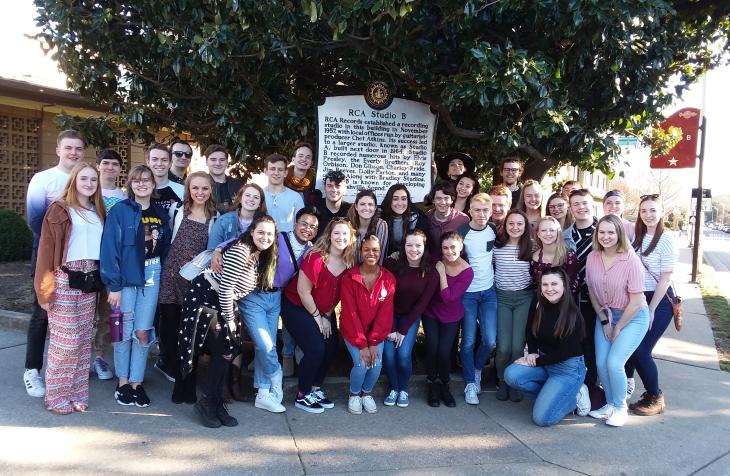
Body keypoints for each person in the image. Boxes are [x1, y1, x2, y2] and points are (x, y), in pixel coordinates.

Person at [178, 215, 278, 427]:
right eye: (261, 232)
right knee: (223, 348)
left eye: (270, 234)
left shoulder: (257, 253)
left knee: (228, 350)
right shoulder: (242, 250)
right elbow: (225, 288)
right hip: (207, 299)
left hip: (220, 300)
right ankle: (207, 402)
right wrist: (231, 321)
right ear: (251, 232)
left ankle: (215, 401)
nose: (265, 237)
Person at [34, 163, 106, 414]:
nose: (88, 183)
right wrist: (44, 291)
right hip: (64, 278)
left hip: (89, 280)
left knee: (84, 339)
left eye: (93, 180)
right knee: (66, 341)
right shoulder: (59, 209)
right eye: (84, 178)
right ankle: (55, 396)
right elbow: (45, 251)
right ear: (74, 180)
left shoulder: (98, 210)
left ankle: (77, 393)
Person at [101, 165, 171, 408]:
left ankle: (136, 383)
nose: (142, 184)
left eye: (147, 180)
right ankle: (122, 382)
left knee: (142, 332)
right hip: (126, 277)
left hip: (152, 272)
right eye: (137, 180)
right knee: (123, 331)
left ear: (153, 184)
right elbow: (110, 249)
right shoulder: (120, 211)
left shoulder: (161, 214)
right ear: (130, 184)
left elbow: (165, 247)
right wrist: (115, 285)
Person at [24, 129, 86, 398]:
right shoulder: (44, 179)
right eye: (68, 148)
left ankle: (66, 371)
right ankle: (32, 370)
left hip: (79, 261)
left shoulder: (85, 179)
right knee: (43, 311)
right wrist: (55, 249)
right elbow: (36, 220)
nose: (73, 153)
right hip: (48, 255)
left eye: (78, 149)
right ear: (58, 150)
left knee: (75, 319)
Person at [281, 218, 356, 413]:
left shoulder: (348, 262)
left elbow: (337, 294)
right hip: (297, 306)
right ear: (329, 235)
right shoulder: (316, 256)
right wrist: (318, 318)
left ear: (351, 238)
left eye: (345, 234)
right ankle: (302, 394)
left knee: (330, 346)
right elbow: (303, 291)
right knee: (315, 348)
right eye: (337, 233)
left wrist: (328, 315)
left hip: (324, 311)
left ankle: (315, 388)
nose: (340, 237)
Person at [504, 268, 591, 426]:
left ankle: (573, 398)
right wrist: (531, 353)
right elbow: (530, 330)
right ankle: (551, 396)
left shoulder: (573, 314)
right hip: (544, 363)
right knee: (511, 374)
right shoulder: (538, 302)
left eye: (554, 284)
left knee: (542, 419)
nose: (549, 289)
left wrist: (536, 362)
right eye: (545, 284)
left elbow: (564, 353)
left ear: (564, 285)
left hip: (567, 369)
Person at [158, 172, 219, 398]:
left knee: (191, 330)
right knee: (170, 326)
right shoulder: (177, 211)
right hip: (171, 275)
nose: (200, 192)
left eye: (204, 188)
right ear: (188, 189)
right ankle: (172, 368)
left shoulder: (215, 217)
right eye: (195, 188)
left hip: (195, 279)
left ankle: (188, 375)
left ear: (211, 190)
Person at [585, 215, 649, 427]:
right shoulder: (593, 257)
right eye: (601, 232)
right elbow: (593, 291)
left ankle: (621, 408)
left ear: (619, 234)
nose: (606, 236)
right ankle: (611, 404)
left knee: (614, 362)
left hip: (632, 316)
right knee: (602, 363)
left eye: (611, 232)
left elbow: (637, 300)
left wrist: (618, 326)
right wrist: (605, 321)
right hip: (606, 314)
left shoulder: (631, 260)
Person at [625, 194, 678, 415]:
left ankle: (655, 395)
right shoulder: (636, 236)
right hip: (637, 298)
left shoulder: (666, 239)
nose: (648, 215)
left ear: (661, 213)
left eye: (653, 210)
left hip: (659, 300)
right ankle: (625, 388)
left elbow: (665, 279)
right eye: (644, 211)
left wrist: (652, 309)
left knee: (641, 349)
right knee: (628, 348)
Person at [340, 234, 396, 414]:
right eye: (367, 249)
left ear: (380, 253)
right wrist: (362, 344)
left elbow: (385, 314)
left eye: (375, 250)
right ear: (361, 252)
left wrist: (373, 342)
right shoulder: (350, 277)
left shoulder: (388, 278)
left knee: (377, 364)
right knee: (361, 363)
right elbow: (350, 313)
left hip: (376, 334)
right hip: (353, 331)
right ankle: (354, 394)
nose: (371, 253)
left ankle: (366, 394)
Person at [383, 230, 438, 408]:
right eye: (409, 245)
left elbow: (422, 305)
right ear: (403, 247)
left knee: (403, 355)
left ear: (424, 247)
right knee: (389, 355)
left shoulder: (431, 272)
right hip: (389, 315)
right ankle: (394, 388)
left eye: (418, 245)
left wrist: (403, 330)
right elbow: (385, 297)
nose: (413, 249)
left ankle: (404, 389)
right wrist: (391, 327)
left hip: (410, 318)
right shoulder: (392, 264)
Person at [423, 231, 473, 408]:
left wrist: (442, 273)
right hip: (431, 312)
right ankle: (432, 384)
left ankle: (445, 384)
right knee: (432, 348)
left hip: (451, 315)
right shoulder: (435, 259)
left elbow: (449, 297)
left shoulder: (467, 271)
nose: (449, 251)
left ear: (460, 247)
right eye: (445, 248)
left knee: (444, 352)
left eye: (453, 247)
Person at [457, 193, 498, 405]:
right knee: (469, 342)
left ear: (490, 212)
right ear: (470, 211)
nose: (481, 214)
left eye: (485, 210)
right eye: (477, 210)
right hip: (468, 294)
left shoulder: (494, 230)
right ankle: (470, 383)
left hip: (489, 292)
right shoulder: (462, 232)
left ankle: (477, 368)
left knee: (490, 340)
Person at [92, 148, 127, 380]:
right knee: (85, 313)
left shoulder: (124, 196)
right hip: (88, 257)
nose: (110, 167)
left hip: (112, 260)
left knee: (107, 313)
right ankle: (79, 359)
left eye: (114, 164)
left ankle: (99, 358)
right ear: (98, 165)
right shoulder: (88, 190)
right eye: (105, 163)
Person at [493, 210, 534, 402]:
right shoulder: (497, 247)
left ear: (525, 227)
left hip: (524, 298)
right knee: (503, 347)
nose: (515, 227)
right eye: (511, 223)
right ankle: (503, 381)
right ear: (505, 225)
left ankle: (515, 382)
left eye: (519, 224)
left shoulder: (532, 248)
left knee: (518, 346)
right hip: (502, 297)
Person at [275, 207, 320, 377]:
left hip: (291, 295)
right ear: (295, 224)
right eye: (304, 224)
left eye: (312, 227)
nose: (307, 229)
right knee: (268, 333)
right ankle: (268, 361)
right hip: (268, 292)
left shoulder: (312, 250)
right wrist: (219, 250)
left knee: (290, 324)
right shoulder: (278, 238)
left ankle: (290, 357)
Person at [563, 188, 599, 388]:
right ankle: (578, 386)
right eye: (576, 204)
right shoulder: (565, 236)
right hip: (575, 298)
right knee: (578, 342)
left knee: (595, 345)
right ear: (571, 208)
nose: (581, 207)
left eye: (584, 203)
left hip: (600, 299)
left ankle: (593, 385)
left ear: (592, 205)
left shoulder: (604, 232)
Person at [531, 216, 579, 297]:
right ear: (538, 234)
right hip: (542, 303)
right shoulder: (533, 258)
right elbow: (535, 286)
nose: (548, 233)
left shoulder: (569, 256)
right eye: (543, 230)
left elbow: (573, 285)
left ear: (558, 232)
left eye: (552, 230)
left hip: (565, 303)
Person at [380, 183, 428, 258]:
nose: (400, 203)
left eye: (403, 199)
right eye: (395, 199)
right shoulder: (382, 219)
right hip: (388, 261)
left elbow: (424, 246)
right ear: (389, 200)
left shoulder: (418, 219)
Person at [425, 182, 469, 262]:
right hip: (432, 264)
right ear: (433, 200)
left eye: (446, 198)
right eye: (438, 198)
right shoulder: (426, 217)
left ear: (452, 200)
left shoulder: (463, 219)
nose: (443, 202)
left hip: (454, 264)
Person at [263, 153, 304, 233]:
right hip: (262, 242)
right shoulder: (258, 195)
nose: (276, 173)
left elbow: (301, 225)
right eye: (272, 169)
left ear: (285, 173)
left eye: (280, 169)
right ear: (266, 171)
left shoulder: (296, 197)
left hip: (287, 244)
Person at [347, 189, 388, 265]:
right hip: (351, 271)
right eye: (362, 204)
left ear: (375, 207)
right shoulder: (348, 225)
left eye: (370, 204)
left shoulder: (381, 225)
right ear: (356, 206)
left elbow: (379, 257)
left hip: (372, 270)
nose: (366, 208)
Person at [204, 144, 243, 214]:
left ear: (227, 162)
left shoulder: (238, 185)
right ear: (206, 162)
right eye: (213, 160)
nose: (218, 163)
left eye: (222, 160)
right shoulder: (201, 185)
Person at [146, 143, 184, 213]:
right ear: (148, 162)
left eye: (164, 160)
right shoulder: (141, 190)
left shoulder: (182, 190)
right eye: (155, 159)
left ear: (170, 163)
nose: (159, 164)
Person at [314, 170, 351, 235]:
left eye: (338, 186)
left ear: (345, 189)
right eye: (330, 186)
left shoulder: (350, 211)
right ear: (325, 188)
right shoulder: (314, 209)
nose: (334, 190)